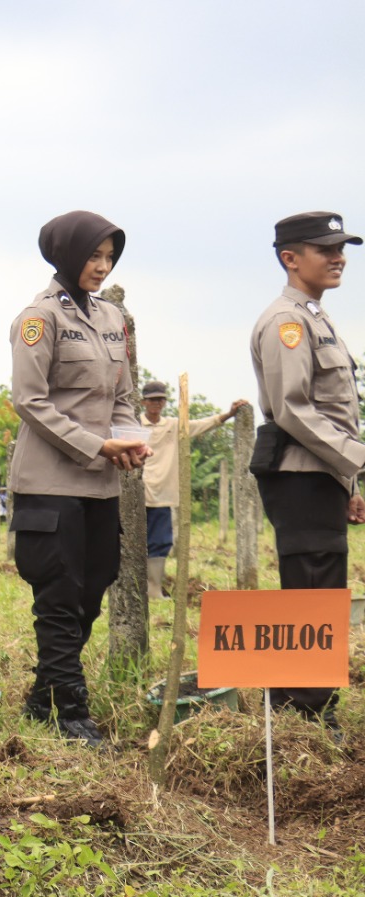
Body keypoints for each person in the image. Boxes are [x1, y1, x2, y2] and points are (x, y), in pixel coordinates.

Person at [8, 210, 149, 748]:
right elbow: (29, 400)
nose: (103, 265)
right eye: (94, 255)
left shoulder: (113, 319)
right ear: (66, 254)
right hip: (50, 483)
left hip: (100, 485)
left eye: (109, 256)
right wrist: (97, 444)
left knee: (93, 589)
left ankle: (43, 695)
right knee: (60, 598)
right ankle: (71, 714)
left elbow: (124, 396)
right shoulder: (38, 318)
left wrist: (129, 436)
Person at [249, 211, 364, 736]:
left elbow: (334, 410)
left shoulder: (315, 317)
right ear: (290, 259)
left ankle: (306, 701)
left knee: (322, 589)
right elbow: (292, 409)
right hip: (299, 475)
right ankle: (310, 712)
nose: (339, 257)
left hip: (321, 474)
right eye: (325, 249)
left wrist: (348, 481)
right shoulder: (286, 322)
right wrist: (357, 459)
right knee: (313, 591)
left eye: (341, 247)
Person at [137, 380, 247, 599]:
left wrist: (228, 414)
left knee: (160, 542)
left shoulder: (174, 425)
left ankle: (154, 589)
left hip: (162, 495)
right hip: (136, 495)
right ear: (143, 402)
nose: (156, 404)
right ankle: (135, 588)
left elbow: (203, 424)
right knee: (132, 542)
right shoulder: (133, 425)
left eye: (160, 399)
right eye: (152, 400)